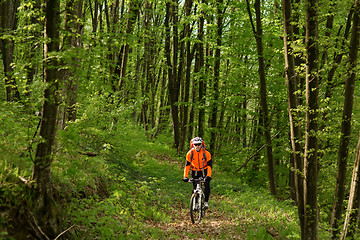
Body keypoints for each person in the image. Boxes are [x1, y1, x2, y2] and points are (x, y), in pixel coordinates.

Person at [182, 137, 212, 209]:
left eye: (199, 144)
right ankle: (195, 203)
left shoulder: (206, 153)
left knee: (206, 185)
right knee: (195, 186)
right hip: (195, 171)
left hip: (204, 170)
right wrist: (185, 176)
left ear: (201, 145)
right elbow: (187, 165)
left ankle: (206, 202)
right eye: (196, 145)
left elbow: (209, 166)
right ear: (193, 145)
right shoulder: (190, 153)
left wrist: (208, 176)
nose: (197, 146)